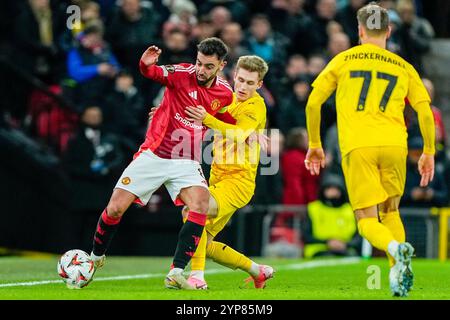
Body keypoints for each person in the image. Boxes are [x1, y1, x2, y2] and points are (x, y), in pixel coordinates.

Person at [304, 3, 435, 297]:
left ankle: (394, 249)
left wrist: (315, 144)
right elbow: (425, 111)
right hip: (395, 145)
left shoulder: (344, 59)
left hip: (359, 145)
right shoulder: (403, 66)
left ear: (360, 30)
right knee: (391, 212)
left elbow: (313, 103)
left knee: (365, 220)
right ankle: (395, 271)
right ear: (388, 31)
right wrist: (428, 150)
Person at [89, 37, 234, 290]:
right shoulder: (180, 73)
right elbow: (152, 72)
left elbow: (226, 120)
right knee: (114, 210)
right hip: (154, 154)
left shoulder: (225, 93)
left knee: (199, 204)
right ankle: (94, 258)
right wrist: (145, 64)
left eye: (208, 66)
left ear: (222, 65)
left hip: (186, 159)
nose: (201, 70)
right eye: (199, 63)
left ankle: (177, 272)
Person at [152, 55, 274, 290]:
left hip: (238, 182)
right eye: (240, 80)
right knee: (202, 242)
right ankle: (257, 271)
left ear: (259, 85)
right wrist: (163, 114)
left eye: (250, 83)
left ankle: (197, 277)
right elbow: (196, 114)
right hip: (217, 178)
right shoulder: (227, 98)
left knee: (192, 210)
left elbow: (237, 133)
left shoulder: (255, 105)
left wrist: (209, 119)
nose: (243, 87)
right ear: (234, 76)